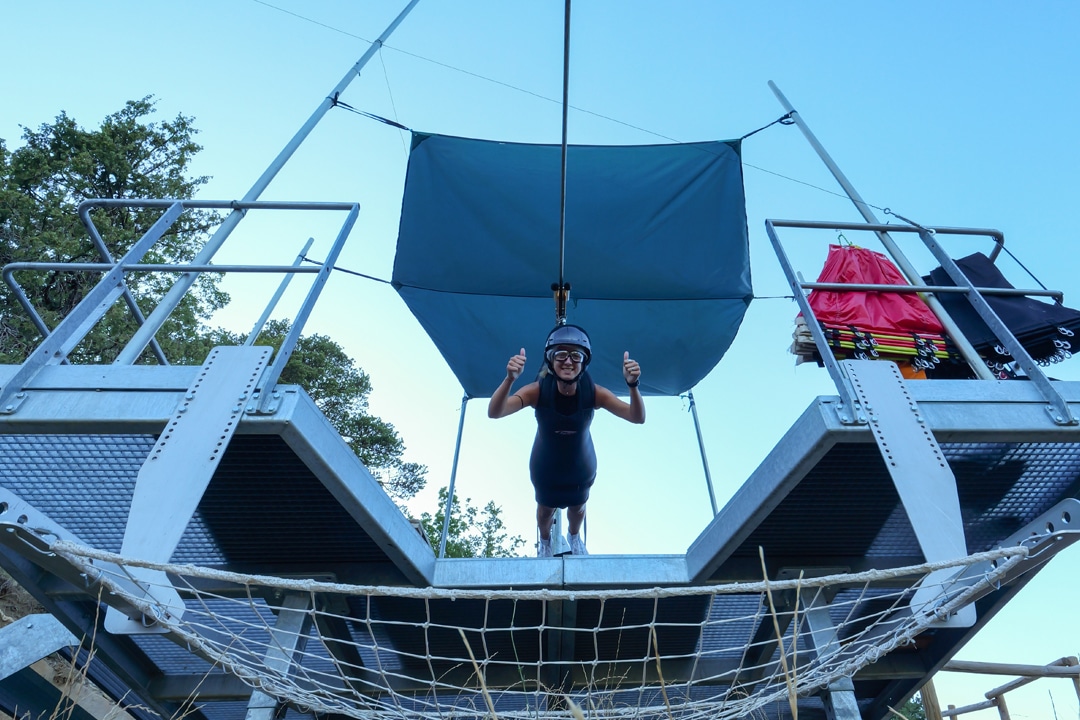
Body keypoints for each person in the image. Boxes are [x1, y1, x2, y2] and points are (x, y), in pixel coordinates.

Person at [488, 324, 645, 557]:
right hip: (545, 467)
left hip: (581, 466)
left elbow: (637, 417)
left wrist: (633, 386)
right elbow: (495, 412)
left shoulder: (594, 393)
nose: (568, 361)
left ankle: (574, 537)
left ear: (584, 362)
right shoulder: (537, 391)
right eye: (560, 354)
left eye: (576, 356)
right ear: (550, 360)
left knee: (578, 508)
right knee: (544, 510)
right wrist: (509, 380)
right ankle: (545, 543)